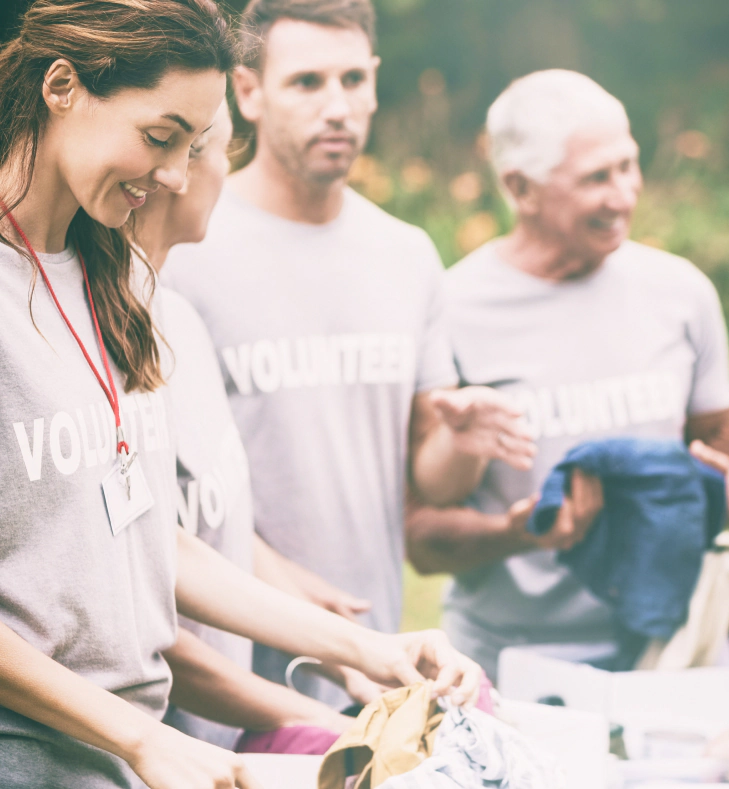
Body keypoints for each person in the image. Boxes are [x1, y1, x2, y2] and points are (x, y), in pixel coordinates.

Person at [0, 2, 482, 787]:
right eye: (159, 138)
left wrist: (369, 649)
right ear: (62, 87)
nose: (174, 178)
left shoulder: (113, 285)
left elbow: (150, 535)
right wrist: (139, 737)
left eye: (191, 149)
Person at [163, 0, 535, 707]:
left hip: (375, 667)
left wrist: (458, 440)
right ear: (248, 92)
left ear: (373, 82)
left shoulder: (407, 254)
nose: (336, 107)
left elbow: (434, 485)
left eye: (351, 81)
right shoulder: (188, 243)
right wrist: (286, 599)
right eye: (306, 83)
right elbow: (167, 500)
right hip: (219, 673)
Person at [406, 69, 729, 680]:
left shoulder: (680, 292)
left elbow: (725, 450)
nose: (624, 194)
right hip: (513, 665)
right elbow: (422, 538)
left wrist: (722, 491)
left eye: (628, 166)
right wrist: (520, 535)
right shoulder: (451, 309)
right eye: (596, 178)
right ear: (520, 187)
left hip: (677, 652)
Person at [133, 101, 354, 748]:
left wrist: (345, 644)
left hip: (223, 742)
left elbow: (200, 523)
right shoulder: (98, 341)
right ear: (178, 166)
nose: (227, 175)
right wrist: (325, 718)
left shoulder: (181, 321)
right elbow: (145, 611)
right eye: (227, 151)